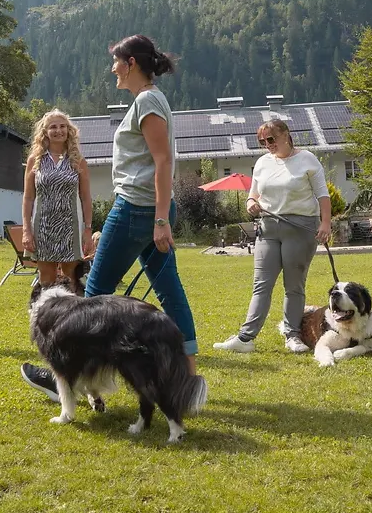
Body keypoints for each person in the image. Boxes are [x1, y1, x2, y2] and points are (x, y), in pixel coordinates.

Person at [22, 34, 203, 400]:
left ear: (131, 63)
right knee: (170, 293)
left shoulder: (148, 100)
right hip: (149, 210)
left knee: (91, 298)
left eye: (117, 62)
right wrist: (162, 216)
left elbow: (162, 161)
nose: (113, 69)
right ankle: (189, 382)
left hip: (137, 208)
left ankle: (73, 381)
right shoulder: (151, 99)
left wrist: (161, 219)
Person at [214, 119, 332, 354]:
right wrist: (250, 203)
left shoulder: (307, 159)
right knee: (261, 285)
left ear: (286, 135)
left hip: (300, 228)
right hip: (267, 229)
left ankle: (293, 336)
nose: (267, 144)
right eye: (262, 141)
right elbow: (253, 194)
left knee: (293, 286)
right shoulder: (262, 163)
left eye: (271, 139)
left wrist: (326, 223)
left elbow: (323, 195)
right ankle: (245, 338)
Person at [21, 110, 94, 285]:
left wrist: (87, 229)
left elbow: (85, 198)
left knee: (69, 278)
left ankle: (70, 312)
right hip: (43, 225)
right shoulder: (35, 160)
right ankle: (47, 311)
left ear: (69, 130)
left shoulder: (77, 160)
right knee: (46, 278)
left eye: (63, 126)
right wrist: (26, 230)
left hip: (70, 225)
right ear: (45, 131)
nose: (58, 130)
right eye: (53, 127)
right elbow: (28, 197)